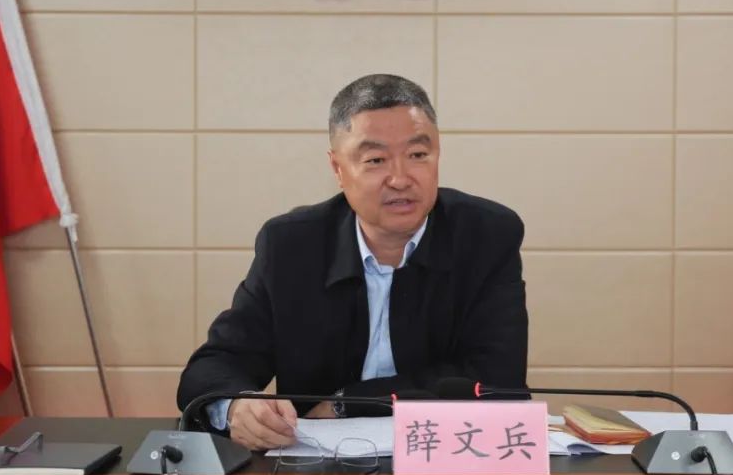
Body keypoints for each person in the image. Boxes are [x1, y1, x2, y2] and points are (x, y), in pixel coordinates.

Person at [177, 74, 528, 451]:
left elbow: (498, 377)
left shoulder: (486, 236)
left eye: (418, 155)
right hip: (320, 470)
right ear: (338, 169)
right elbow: (215, 365)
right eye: (376, 160)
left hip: (447, 458)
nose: (400, 179)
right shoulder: (292, 246)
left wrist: (349, 403)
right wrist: (236, 408)